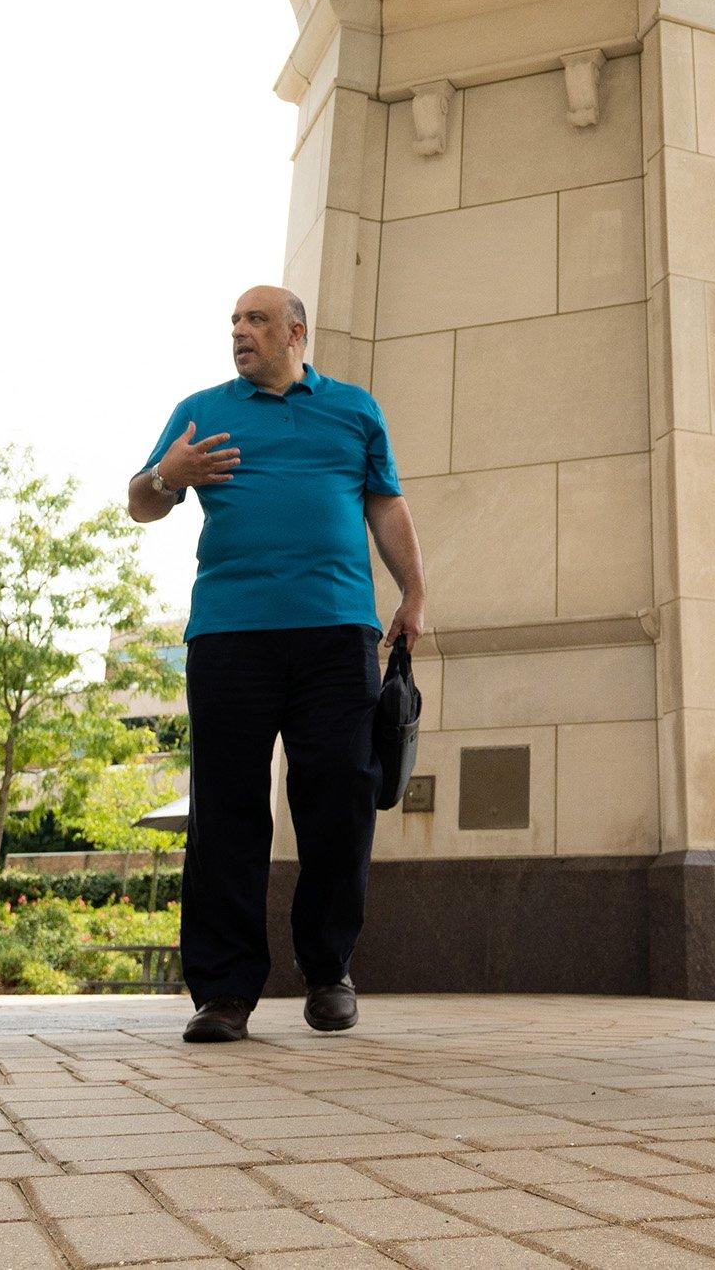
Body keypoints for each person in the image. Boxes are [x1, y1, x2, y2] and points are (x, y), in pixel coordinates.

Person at [130, 285, 425, 1042]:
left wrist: (413, 594)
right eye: (233, 321)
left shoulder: (356, 410)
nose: (239, 332)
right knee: (227, 808)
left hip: (337, 634)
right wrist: (172, 474)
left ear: (297, 333)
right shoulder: (202, 409)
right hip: (231, 635)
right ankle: (224, 992)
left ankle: (329, 972)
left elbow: (384, 504)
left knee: (338, 799)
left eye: (255, 320)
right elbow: (140, 501)